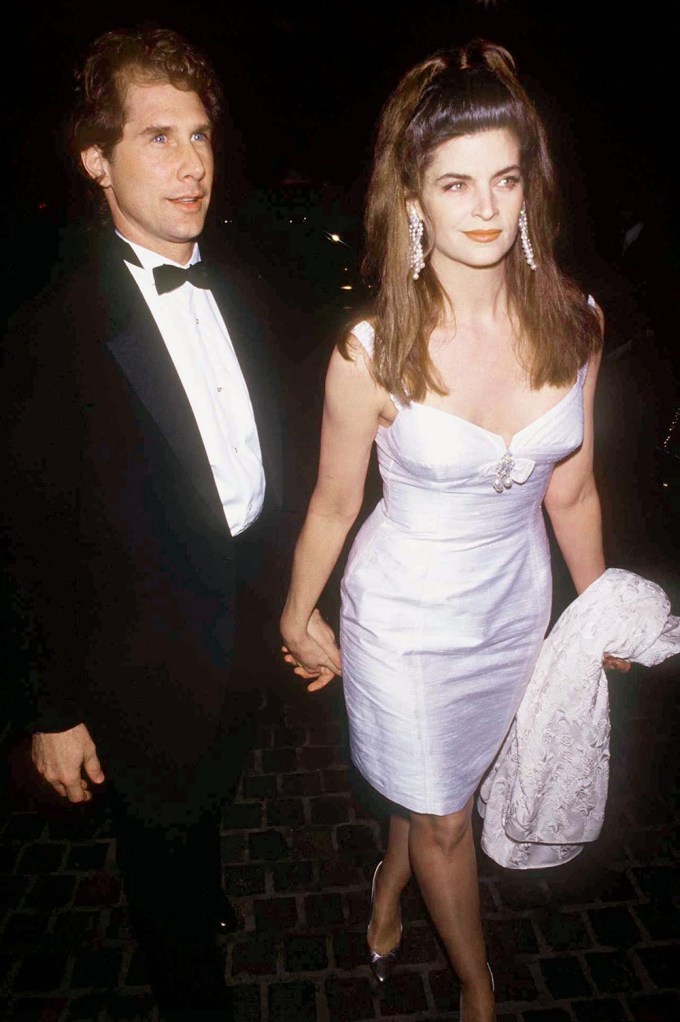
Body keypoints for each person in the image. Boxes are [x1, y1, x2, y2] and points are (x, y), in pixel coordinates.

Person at [280, 39, 626, 1022]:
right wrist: (296, 611)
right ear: (414, 198)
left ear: (528, 189)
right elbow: (332, 504)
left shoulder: (577, 326)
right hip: (405, 617)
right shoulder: (370, 348)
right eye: (455, 182)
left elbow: (573, 491)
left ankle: (393, 876)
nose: (483, 207)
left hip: (513, 603)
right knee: (441, 810)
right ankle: (477, 989)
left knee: (443, 792)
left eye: (504, 180)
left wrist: (595, 613)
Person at [2, 26, 282, 1021]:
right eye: (158, 137)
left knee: (204, 822)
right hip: (135, 673)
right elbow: (25, 533)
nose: (191, 163)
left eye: (200, 136)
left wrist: (291, 602)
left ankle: (201, 897)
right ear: (96, 158)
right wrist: (50, 708)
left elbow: (264, 465)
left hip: (237, 641)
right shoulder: (51, 329)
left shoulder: (242, 282)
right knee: (161, 873)